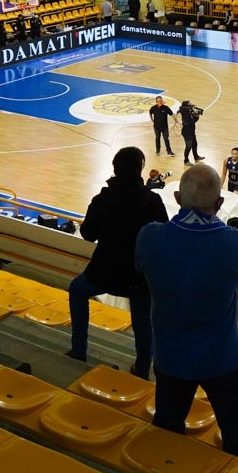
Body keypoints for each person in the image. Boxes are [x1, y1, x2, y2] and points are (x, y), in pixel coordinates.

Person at [135, 164, 238, 460]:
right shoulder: (234, 242)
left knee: (167, 428)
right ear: (219, 204)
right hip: (223, 358)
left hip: (170, 356)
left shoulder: (149, 237)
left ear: (176, 198)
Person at [67, 146, 168, 375]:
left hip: (104, 272)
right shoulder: (152, 201)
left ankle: (78, 350)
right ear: (140, 169)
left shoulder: (103, 198)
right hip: (139, 276)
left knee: (76, 290)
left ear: (115, 169)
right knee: (143, 321)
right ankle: (142, 368)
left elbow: (88, 234)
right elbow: (164, 236)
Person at [177, 100, 204, 165]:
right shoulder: (184, 111)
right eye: (190, 104)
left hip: (191, 131)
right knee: (188, 146)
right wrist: (193, 112)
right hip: (187, 132)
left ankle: (196, 157)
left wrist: (197, 115)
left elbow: (194, 120)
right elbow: (190, 121)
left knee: (194, 144)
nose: (192, 106)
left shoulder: (190, 112)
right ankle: (186, 160)